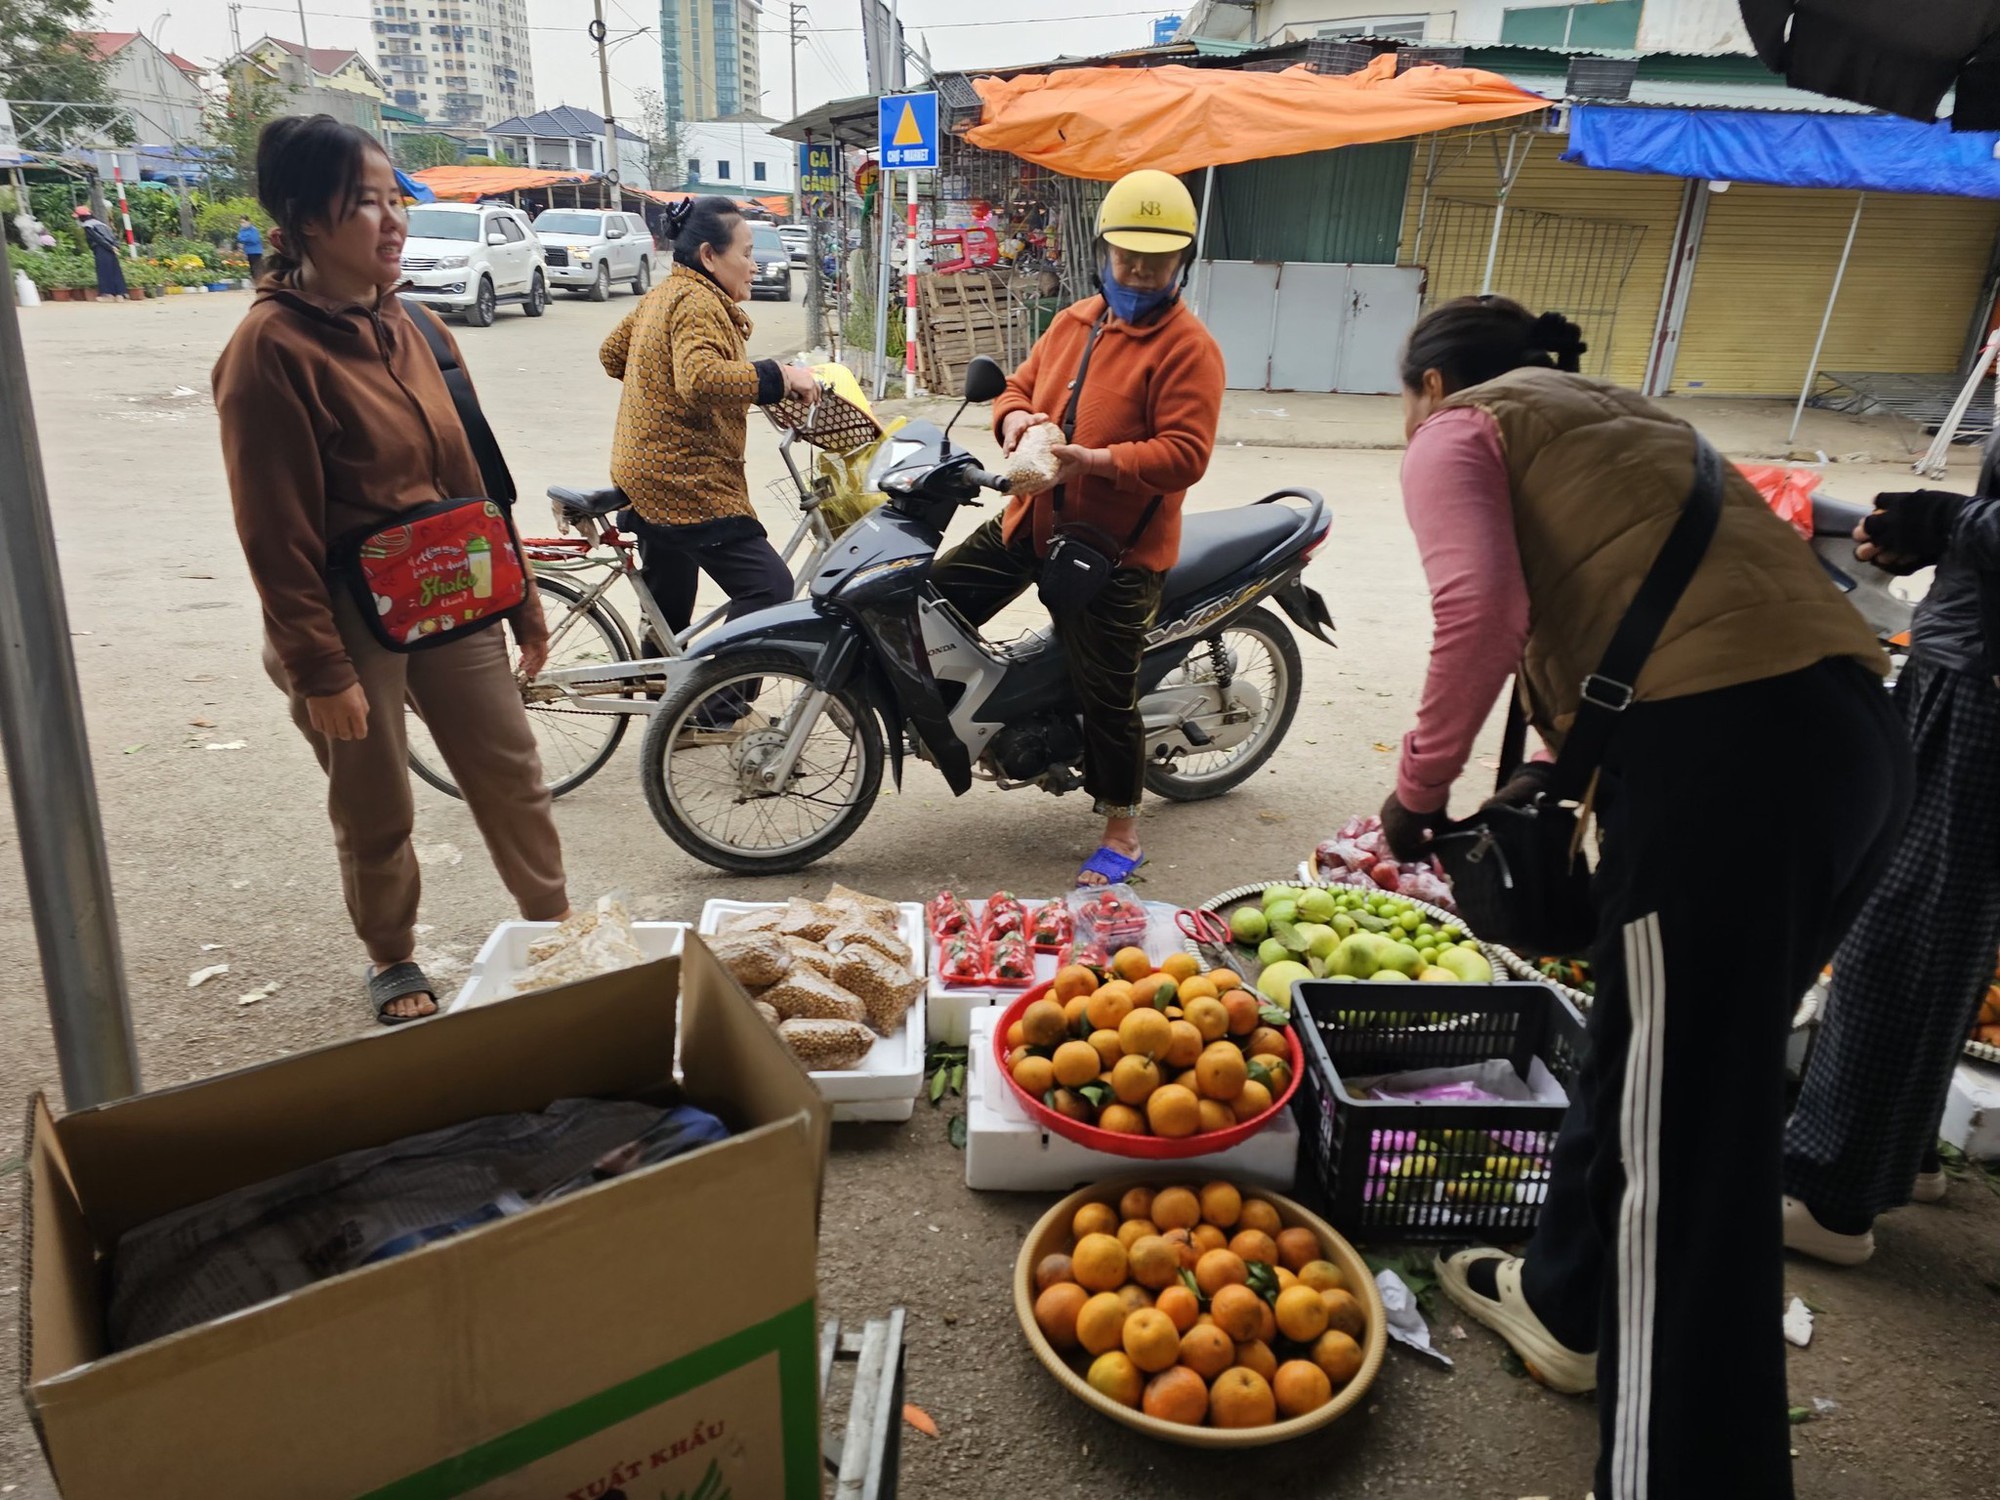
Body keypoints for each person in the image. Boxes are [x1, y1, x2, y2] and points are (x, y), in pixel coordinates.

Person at [1378, 295, 1909, 1500]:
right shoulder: (1631, 419)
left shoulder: (1459, 431)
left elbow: (1480, 616)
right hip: (1853, 743)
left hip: (1729, 771)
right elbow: (1614, 628)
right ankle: (1564, 1304)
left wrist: (1414, 797)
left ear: (1429, 382)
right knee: (1652, 1068)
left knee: (1688, 1164)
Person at [211, 114, 571, 1024]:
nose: (391, 221)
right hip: (343, 611)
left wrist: (519, 595)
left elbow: (475, 479)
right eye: (362, 204)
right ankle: (392, 956)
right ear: (301, 222)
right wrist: (320, 669)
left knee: (511, 772)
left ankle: (553, 926)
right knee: (376, 806)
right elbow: (273, 531)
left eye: (392, 199)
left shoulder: (418, 326)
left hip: (452, 587)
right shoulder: (268, 354)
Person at [930, 168, 1224, 887]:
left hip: (1115, 552)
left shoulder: (1189, 349)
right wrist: (1016, 419)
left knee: (1107, 691)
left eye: (1157, 261)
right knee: (930, 602)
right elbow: (1016, 388)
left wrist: (1090, 460)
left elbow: (1186, 455)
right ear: (1103, 251)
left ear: (1183, 259)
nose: (1141, 272)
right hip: (1032, 521)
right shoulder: (1074, 322)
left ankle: (1122, 826)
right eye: (1128, 258)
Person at [1781, 462, 2000, 1263]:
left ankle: (1831, 1196)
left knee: (1900, 924)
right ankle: (1897, 1154)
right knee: (1952, 924)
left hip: (1983, 686)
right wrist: (1938, 539)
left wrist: (1949, 521)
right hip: (1970, 659)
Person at [598, 195, 820, 648]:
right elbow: (701, 378)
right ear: (709, 256)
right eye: (747, 253)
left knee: (668, 611)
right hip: (684, 481)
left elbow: (613, 354)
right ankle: (717, 713)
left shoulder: (665, 293)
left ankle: (665, 698)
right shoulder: (698, 302)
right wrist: (778, 376)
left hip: (643, 471)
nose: (754, 266)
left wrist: (657, 383)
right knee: (769, 588)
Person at [74, 204, 127, 299]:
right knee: (115, 270)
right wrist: (115, 246)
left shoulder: (88, 226)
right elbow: (112, 236)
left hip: (102, 249)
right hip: (111, 249)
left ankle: (107, 294)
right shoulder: (101, 224)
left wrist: (109, 247)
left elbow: (98, 239)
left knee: (103, 271)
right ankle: (120, 293)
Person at [236, 214, 266, 282]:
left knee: (257, 267)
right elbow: (239, 238)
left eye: (243, 222)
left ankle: (260, 280)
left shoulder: (254, 230)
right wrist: (247, 238)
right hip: (248, 251)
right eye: (241, 222)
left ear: (248, 222)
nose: (242, 224)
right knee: (252, 267)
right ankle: (255, 281)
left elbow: (254, 240)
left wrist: (245, 239)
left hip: (256, 251)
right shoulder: (242, 230)